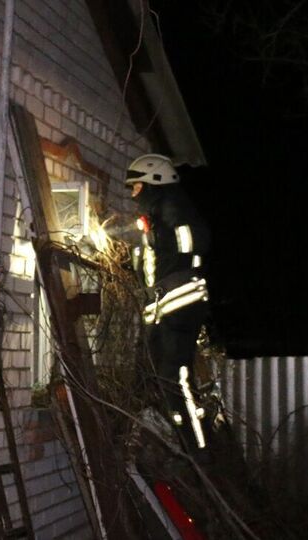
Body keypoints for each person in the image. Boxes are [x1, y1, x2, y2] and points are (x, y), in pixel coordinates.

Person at [126, 153, 211, 455]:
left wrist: (180, 267)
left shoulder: (171, 207)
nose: (133, 193)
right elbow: (150, 261)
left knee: (174, 377)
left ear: (153, 182)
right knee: (157, 374)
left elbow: (190, 243)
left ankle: (198, 450)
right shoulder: (156, 218)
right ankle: (182, 440)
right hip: (167, 305)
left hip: (179, 303)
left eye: (136, 186)